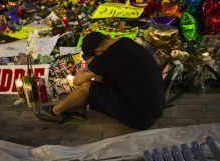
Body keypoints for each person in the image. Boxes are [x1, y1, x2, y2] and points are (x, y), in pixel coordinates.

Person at [36, 32, 166, 130]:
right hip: (156, 107)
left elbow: (77, 81)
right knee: (99, 78)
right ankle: (78, 106)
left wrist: (88, 65)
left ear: (98, 52)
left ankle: (55, 112)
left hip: (142, 118)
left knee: (86, 86)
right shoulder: (125, 42)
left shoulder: (106, 57)